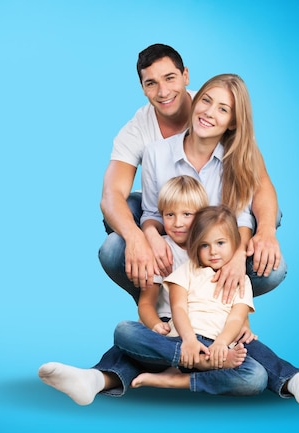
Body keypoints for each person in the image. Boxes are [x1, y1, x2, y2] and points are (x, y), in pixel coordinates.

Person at [39, 176, 268, 405]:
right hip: (170, 335)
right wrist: (154, 325)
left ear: (201, 217)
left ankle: (107, 378)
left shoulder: (217, 251)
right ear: (161, 216)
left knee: (255, 373)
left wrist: (242, 325)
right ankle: (93, 380)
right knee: (125, 331)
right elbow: (147, 303)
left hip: (210, 339)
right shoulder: (160, 250)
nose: (178, 223)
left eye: (187, 215)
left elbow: (233, 302)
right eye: (170, 215)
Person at [99, 43, 284, 304]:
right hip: (170, 219)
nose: (163, 91)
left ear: (186, 75)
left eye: (170, 78)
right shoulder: (146, 139)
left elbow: (259, 188)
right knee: (125, 212)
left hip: (217, 225)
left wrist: (260, 236)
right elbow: (112, 196)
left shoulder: (218, 109)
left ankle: (218, 301)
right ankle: (155, 298)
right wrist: (141, 238)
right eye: (151, 83)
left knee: (266, 214)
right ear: (142, 88)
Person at [115, 205, 299, 407]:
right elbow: (178, 308)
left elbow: (235, 318)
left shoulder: (241, 280)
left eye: (220, 243)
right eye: (205, 245)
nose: (213, 252)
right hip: (183, 344)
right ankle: (200, 363)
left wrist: (220, 343)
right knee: (124, 330)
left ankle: (297, 382)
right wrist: (188, 340)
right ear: (196, 246)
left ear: (234, 244)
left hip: (222, 348)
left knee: (255, 377)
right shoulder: (188, 271)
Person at [139, 73, 286, 305]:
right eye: (206, 101)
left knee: (274, 268)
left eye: (223, 109)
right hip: (174, 252)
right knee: (114, 248)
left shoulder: (237, 159)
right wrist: (151, 236)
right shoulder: (156, 153)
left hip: (215, 254)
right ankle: (154, 300)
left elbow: (242, 218)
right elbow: (150, 213)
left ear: (234, 122)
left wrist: (238, 258)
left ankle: (221, 304)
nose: (208, 112)